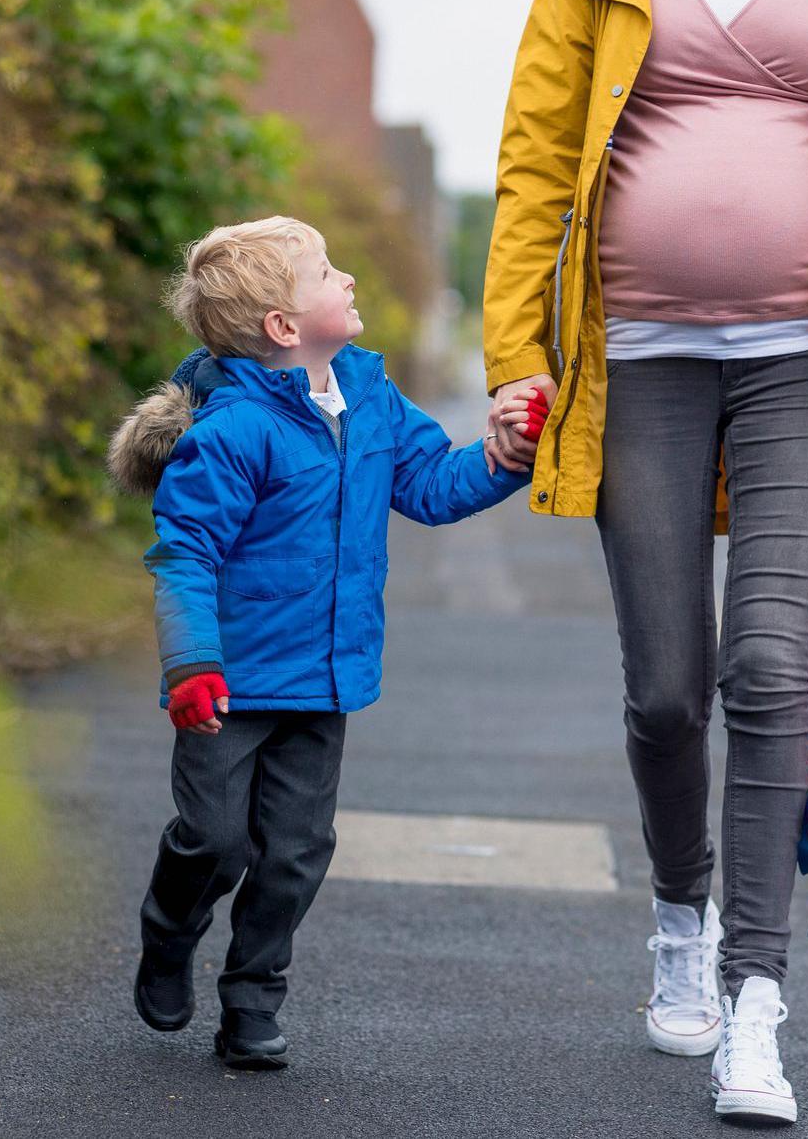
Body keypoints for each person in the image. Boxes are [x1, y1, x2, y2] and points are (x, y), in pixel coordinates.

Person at [480, 0, 808, 1124]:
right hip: (635, 364)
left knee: (768, 667)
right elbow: (536, 159)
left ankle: (756, 1004)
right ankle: (678, 917)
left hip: (807, 360)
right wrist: (517, 356)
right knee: (665, 691)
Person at [108, 216, 536, 1070]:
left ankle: (253, 1001)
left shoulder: (371, 397)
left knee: (297, 853)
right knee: (215, 840)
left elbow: (428, 486)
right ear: (282, 327)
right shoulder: (233, 431)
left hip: (324, 678)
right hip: (226, 686)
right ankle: (169, 934)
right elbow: (185, 553)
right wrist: (191, 664)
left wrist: (505, 456)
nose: (347, 278)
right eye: (326, 272)